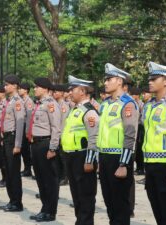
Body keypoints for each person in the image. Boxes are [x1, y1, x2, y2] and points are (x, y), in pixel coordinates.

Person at [97, 63, 139, 225]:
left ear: (120, 81)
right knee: (109, 202)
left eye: (109, 79)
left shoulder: (127, 103)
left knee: (120, 204)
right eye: (105, 80)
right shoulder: (105, 104)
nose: (105, 83)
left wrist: (124, 163)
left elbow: (130, 135)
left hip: (119, 158)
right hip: (105, 157)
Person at [62, 75, 99, 225]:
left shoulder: (89, 111)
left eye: (73, 89)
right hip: (72, 156)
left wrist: (89, 160)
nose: (69, 92)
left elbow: (93, 138)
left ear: (82, 91)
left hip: (83, 158)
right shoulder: (75, 110)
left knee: (85, 196)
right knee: (76, 195)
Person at [28, 77, 61, 222]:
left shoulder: (51, 104)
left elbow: (56, 128)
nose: (34, 89)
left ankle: (50, 212)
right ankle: (44, 208)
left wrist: (53, 148)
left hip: (46, 144)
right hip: (36, 144)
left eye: (37, 87)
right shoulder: (38, 104)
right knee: (40, 178)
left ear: (46, 89)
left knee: (49, 180)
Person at [142, 62, 166, 225]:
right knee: (157, 207)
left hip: (165, 164)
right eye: (149, 79)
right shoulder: (149, 106)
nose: (150, 82)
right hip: (150, 163)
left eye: (154, 78)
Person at [0, 75, 25, 212]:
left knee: (14, 172)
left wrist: (18, 144)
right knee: (8, 171)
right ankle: (11, 200)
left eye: (7, 84)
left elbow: (20, 124)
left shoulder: (17, 102)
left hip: (13, 138)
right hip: (7, 138)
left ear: (15, 86)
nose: (5, 87)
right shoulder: (9, 101)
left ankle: (17, 202)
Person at [52, 84, 70, 186]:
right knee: (58, 158)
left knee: (62, 158)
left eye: (56, 92)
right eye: (54, 92)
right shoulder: (56, 104)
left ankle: (64, 177)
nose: (54, 93)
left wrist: (60, 136)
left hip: (62, 135)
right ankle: (59, 176)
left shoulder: (64, 106)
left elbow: (62, 123)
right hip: (56, 134)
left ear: (62, 93)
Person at [19, 82, 34, 177]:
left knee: (26, 150)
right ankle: (26, 168)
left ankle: (28, 169)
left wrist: (28, 131)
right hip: (22, 125)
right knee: (23, 150)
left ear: (26, 90)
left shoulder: (28, 101)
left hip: (26, 126)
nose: (19, 90)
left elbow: (29, 118)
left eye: (21, 88)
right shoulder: (22, 100)